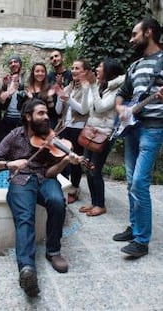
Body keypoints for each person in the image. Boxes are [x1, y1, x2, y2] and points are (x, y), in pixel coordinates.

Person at [0, 98, 81, 297]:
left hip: (44, 179)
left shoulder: (51, 138)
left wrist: (65, 161)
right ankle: (27, 269)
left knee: (57, 201)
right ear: (28, 117)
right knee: (25, 217)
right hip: (21, 180)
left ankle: (53, 251)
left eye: (47, 113)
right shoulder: (15, 135)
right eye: (41, 113)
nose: (46, 117)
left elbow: (49, 173)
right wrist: (10, 164)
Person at [113, 17, 163, 258]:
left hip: (153, 127)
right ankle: (134, 228)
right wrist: (121, 108)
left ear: (149, 32)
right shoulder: (134, 66)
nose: (131, 39)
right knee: (131, 180)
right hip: (131, 128)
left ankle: (142, 241)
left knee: (139, 183)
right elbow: (121, 95)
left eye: (135, 34)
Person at [78, 58, 125, 217]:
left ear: (109, 71)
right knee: (87, 166)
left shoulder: (117, 89)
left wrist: (91, 85)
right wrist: (88, 87)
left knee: (95, 169)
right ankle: (93, 202)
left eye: (100, 66)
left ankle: (100, 204)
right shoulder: (100, 85)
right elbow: (87, 108)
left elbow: (100, 107)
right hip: (92, 131)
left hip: (104, 135)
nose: (96, 68)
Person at [55, 58, 92, 204]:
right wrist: (60, 95)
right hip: (65, 127)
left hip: (79, 128)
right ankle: (64, 186)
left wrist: (68, 99)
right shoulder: (68, 87)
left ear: (86, 71)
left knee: (75, 161)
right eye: (73, 68)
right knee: (62, 158)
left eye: (77, 68)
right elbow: (59, 110)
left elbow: (84, 109)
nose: (74, 71)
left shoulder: (88, 88)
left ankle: (74, 188)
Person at [21, 62, 55, 127]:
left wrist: (49, 98)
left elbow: (53, 112)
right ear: (33, 73)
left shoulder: (49, 88)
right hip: (31, 125)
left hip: (45, 124)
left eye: (42, 71)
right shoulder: (27, 88)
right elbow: (22, 109)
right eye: (37, 71)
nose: (40, 73)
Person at [1, 54, 25, 136]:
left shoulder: (26, 79)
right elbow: (3, 100)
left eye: (15, 62)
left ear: (20, 64)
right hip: (8, 118)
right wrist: (5, 86)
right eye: (11, 63)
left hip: (21, 118)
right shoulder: (7, 80)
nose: (13, 64)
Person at [48, 50, 73, 128]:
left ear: (62, 58)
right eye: (51, 58)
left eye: (56, 56)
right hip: (52, 117)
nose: (54, 59)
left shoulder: (71, 75)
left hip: (67, 116)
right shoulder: (49, 76)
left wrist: (61, 87)